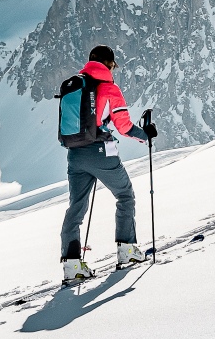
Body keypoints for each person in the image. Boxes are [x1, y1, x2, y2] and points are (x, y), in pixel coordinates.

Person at [58, 45, 156, 285]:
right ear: (109, 64)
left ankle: (72, 266)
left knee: (77, 208)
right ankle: (127, 251)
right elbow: (123, 126)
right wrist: (146, 135)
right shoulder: (108, 88)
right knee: (125, 195)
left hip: (74, 153)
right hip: (100, 151)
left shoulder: (77, 85)